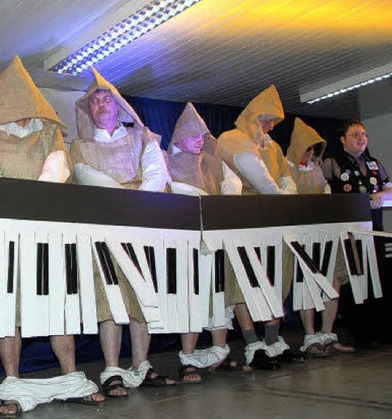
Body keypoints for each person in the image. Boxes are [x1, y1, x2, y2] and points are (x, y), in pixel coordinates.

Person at [0, 55, 103, 418]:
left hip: (47, 230)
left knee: (57, 305)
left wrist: (34, 207)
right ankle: (12, 383)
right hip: (4, 232)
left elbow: (56, 168)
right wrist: (13, 208)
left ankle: (71, 378)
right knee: (8, 310)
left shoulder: (50, 133)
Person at [70, 68, 176, 398]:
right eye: (95, 102)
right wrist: (124, 203)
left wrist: (139, 206)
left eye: (106, 99)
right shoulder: (81, 146)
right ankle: (113, 369)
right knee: (110, 300)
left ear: (119, 106)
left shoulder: (142, 138)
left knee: (143, 297)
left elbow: (156, 172)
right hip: (104, 227)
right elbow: (85, 176)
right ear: (89, 110)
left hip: (142, 224)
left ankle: (141, 365)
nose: (101, 105)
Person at [217, 85, 297, 370]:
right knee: (243, 279)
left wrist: (286, 198)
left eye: (273, 121)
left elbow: (286, 179)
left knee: (277, 275)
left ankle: (273, 340)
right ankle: (252, 343)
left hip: (275, 222)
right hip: (244, 220)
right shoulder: (232, 139)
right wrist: (279, 199)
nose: (269, 126)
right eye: (265, 119)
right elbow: (260, 181)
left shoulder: (273, 147)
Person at [166, 103, 242, 383]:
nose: (200, 139)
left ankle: (219, 351)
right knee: (191, 298)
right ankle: (187, 358)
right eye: (194, 134)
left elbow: (231, 187)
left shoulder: (211, 162)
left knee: (220, 295)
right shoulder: (167, 161)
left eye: (203, 134)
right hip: (186, 243)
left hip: (215, 238)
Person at [286, 117, 355, 357]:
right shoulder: (287, 170)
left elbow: (326, 196)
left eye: (314, 149)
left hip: (326, 235)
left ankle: (327, 334)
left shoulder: (316, 169)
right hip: (304, 238)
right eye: (306, 148)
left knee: (332, 283)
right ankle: (310, 335)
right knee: (307, 285)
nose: (310, 153)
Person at [322, 120, 392, 348]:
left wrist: (382, 193)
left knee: (378, 279)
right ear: (342, 139)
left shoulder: (373, 164)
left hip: (374, 232)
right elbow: (322, 192)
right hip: (348, 234)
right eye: (355, 135)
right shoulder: (333, 162)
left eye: (363, 134)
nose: (361, 138)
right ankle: (361, 333)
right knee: (354, 281)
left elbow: (389, 186)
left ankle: (381, 330)